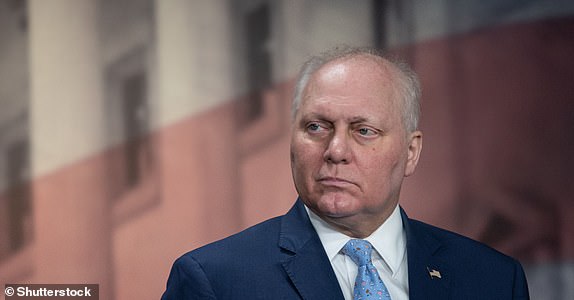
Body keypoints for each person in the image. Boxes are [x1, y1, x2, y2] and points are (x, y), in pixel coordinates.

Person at [161, 46, 530, 299]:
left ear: (411, 152)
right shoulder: (214, 280)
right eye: (317, 127)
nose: (335, 151)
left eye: (364, 130)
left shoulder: (493, 279)